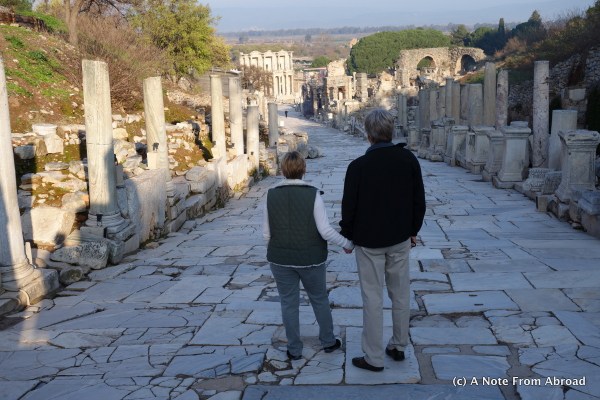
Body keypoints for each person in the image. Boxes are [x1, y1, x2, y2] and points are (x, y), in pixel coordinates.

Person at [340, 108, 426, 372]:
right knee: (400, 294)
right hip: (400, 238)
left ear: (368, 136)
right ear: (391, 132)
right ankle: (399, 346)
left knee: (372, 297)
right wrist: (413, 230)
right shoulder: (408, 160)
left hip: (368, 243)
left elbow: (349, 208)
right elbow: (418, 201)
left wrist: (349, 235)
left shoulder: (358, 167)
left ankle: (374, 357)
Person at [263, 151, 353, 360]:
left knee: (288, 302)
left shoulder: (270, 194)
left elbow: (266, 233)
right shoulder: (313, 195)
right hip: (311, 258)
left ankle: (294, 349)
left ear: (282, 170)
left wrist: (279, 251)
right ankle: (328, 341)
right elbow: (325, 231)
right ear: (304, 169)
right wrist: (347, 243)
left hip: (279, 259)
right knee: (319, 299)